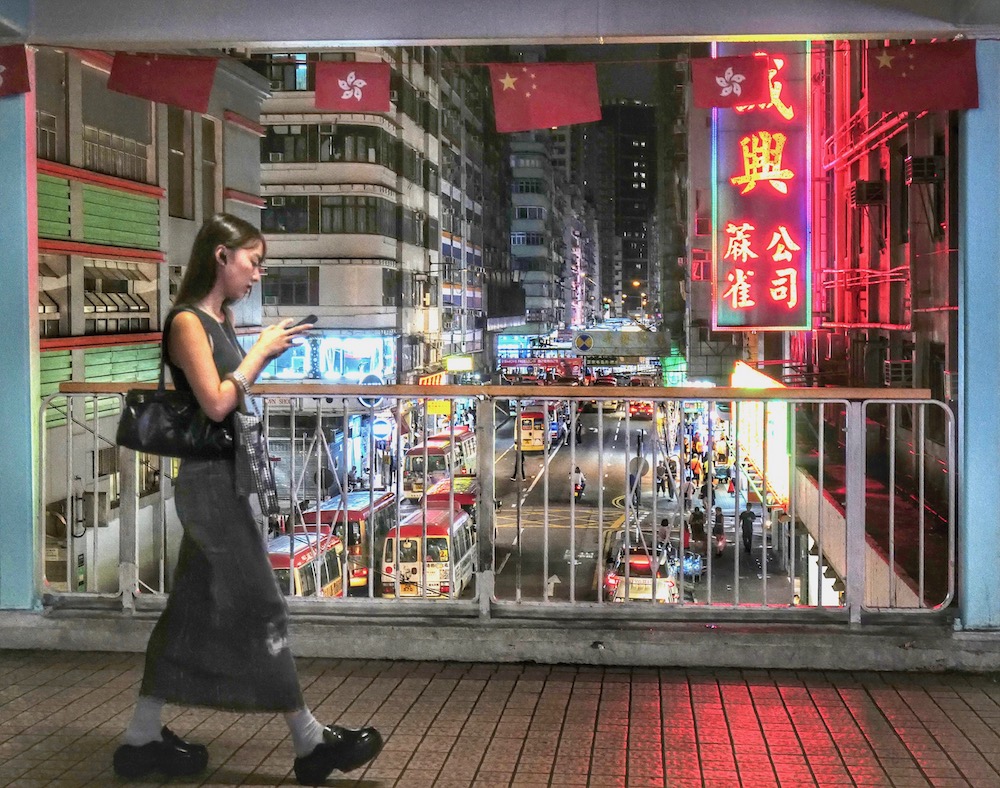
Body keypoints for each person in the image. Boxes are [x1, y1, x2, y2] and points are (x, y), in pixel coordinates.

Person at [112, 214, 382, 785]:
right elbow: (214, 404)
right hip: (210, 485)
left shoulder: (219, 319)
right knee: (264, 607)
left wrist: (257, 354)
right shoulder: (187, 321)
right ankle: (310, 743)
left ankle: (140, 739)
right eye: (252, 261)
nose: (257, 273)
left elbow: (232, 397)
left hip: (230, 478)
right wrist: (258, 354)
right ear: (220, 257)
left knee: (186, 612)